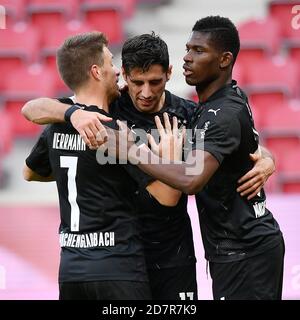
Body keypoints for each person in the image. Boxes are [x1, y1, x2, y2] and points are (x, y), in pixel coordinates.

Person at [22, 32, 275, 300]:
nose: (146, 93)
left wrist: (269, 159)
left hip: (171, 257)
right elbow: (34, 109)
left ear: (169, 73)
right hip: (123, 256)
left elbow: (237, 142)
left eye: (155, 82)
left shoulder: (188, 116)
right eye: (137, 82)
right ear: (124, 76)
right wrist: (73, 114)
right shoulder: (108, 110)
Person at [123, 16, 284, 300]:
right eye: (188, 49)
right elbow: (249, 147)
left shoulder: (221, 113)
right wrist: (268, 159)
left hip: (246, 250)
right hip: (235, 250)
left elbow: (192, 179)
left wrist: (130, 150)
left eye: (198, 51)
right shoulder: (221, 102)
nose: (187, 57)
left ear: (224, 59)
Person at [23, 31, 152, 300]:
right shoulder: (114, 131)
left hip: (72, 271)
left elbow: (29, 172)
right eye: (110, 62)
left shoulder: (56, 125)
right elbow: (165, 194)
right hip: (118, 266)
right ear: (96, 71)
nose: (116, 70)